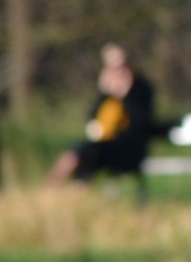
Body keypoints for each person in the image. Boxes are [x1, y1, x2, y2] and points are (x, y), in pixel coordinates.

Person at [47, 43, 155, 185]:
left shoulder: (141, 90)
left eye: (120, 66)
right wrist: (103, 92)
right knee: (74, 154)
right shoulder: (107, 93)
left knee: (89, 152)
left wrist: (124, 93)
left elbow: (140, 122)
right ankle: (50, 191)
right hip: (102, 144)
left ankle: (78, 190)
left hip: (128, 148)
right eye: (111, 67)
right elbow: (91, 117)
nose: (117, 72)